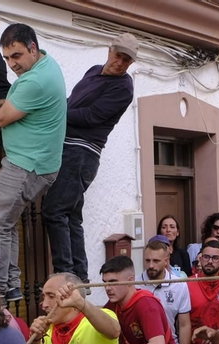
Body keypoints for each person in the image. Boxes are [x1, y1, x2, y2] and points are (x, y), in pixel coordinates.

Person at [0, 23, 66, 302]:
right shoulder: (46, 65)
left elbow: (2, 118)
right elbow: (10, 100)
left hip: (26, 166)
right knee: (6, 222)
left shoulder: (35, 81)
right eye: (6, 58)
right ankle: (13, 284)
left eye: (16, 56)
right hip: (37, 165)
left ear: (32, 47)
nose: (12, 64)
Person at [42, 33, 136, 280]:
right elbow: (73, 103)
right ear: (109, 49)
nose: (120, 63)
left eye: (126, 60)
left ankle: (64, 274)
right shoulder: (94, 71)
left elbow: (91, 116)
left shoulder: (124, 88)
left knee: (55, 211)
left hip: (82, 152)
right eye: (118, 56)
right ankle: (79, 276)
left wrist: (55, 111)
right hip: (71, 150)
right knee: (71, 216)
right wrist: (55, 107)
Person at [140, 237, 192, 344]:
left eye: (156, 261)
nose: (151, 265)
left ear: (166, 261)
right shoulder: (134, 285)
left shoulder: (179, 285)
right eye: (147, 260)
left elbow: (184, 325)